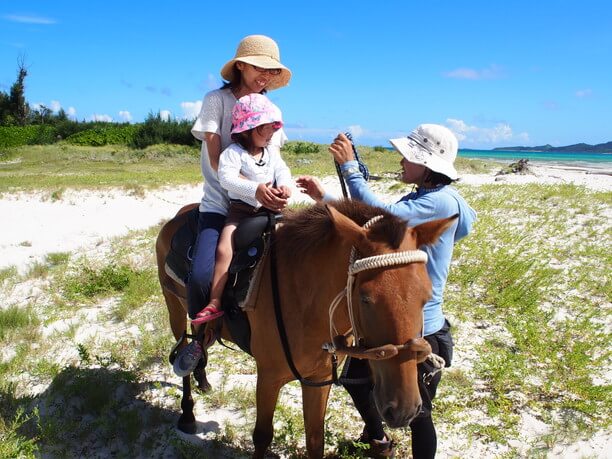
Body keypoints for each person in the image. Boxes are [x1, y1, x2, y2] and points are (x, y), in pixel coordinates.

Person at [297, 124, 477, 458]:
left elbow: (383, 217)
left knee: (419, 414)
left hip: (416, 325)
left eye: (409, 157)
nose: (401, 161)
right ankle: (377, 437)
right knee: (354, 380)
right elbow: (374, 227)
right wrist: (324, 198)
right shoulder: (431, 200)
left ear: (428, 166)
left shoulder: (437, 202)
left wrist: (351, 168)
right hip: (389, 316)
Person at [173, 35, 292, 378]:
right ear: (240, 65)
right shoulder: (217, 100)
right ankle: (199, 338)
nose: (265, 77)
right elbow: (214, 154)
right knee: (199, 274)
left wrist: (278, 188)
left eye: (272, 72)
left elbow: (276, 157)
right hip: (220, 203)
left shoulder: (272, 110)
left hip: (261, 201)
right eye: (260, 68)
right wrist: (250, 187)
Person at [201, 93, 291, 325]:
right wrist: (256, 189)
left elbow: (282, 170)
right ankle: (215, 300)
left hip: (271, 210)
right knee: (224, 248)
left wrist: (285, 186)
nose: (270, 133)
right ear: (246, 129)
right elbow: (227, 179)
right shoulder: (232, 154)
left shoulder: (270, 152)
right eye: (264, 128)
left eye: (272, 127)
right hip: (241, 212)